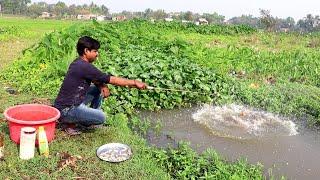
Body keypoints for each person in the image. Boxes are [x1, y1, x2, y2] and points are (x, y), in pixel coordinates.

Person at [54, 36, 147, 135]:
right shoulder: (85, 67)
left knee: (96, 90)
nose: (97, 54)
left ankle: (87, 118)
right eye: (95, 51)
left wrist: (102, 86)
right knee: (101, 117)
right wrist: (134, 82)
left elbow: (94, 78)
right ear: (86, 51)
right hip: (66, 110)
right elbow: (113, 79)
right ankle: (70, 123)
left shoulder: (78, 62)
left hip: (66, 104)